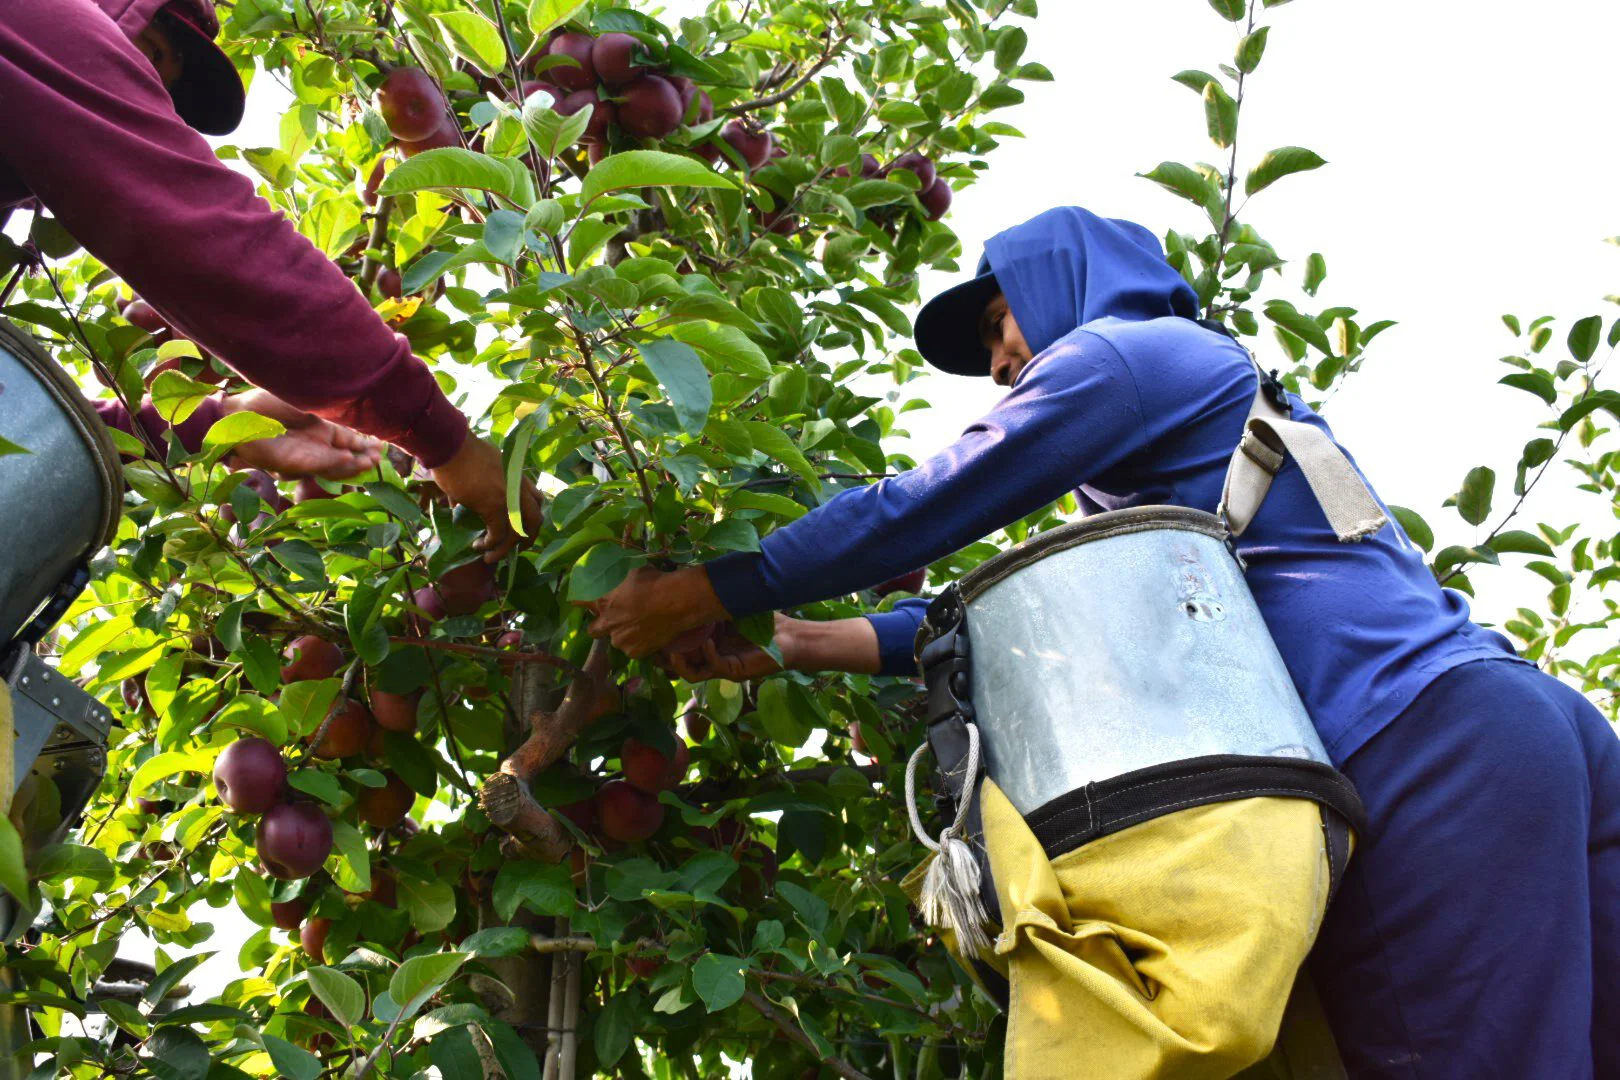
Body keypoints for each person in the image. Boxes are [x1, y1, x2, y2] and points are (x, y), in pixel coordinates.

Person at [588, 206, 1620, 1076]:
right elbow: (1033, 621)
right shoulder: (1190, 428)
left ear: (1071, 278)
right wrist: (806, 641)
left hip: (1414, 747)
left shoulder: (1129, 353)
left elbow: (930, 501)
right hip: (1521, 727)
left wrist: (714, 585)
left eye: (1000, 320)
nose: (998, 363)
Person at [0, 0, 542, 558]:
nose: (146, 91)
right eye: (154, 52)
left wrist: (222, 423)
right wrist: (440, 436)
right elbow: (206, 242)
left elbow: (23, 444)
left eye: (161, 86)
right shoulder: (43, 14)